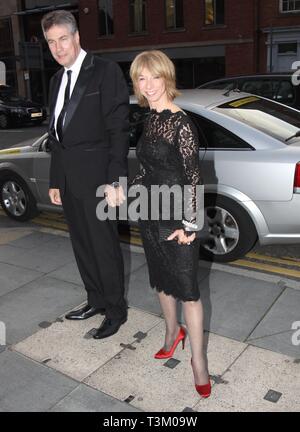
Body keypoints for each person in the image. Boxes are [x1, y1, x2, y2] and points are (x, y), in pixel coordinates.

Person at [41, 10, 129, 339]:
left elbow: (119, 131)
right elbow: (56, 137)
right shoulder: (55, 80)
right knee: (81, 245)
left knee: (104, 246)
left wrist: (116, 180)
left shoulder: (105, 72)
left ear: (77, 38)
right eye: (51, 42)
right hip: (68, 179)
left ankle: (116, 310)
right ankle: (95, 299)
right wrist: (54, 180)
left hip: (98, 180)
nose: (58, 47)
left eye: (63, 39)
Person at [130, 50, 211, 398]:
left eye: (154, 77)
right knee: (161, 281)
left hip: (178, 219)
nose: (148, 86)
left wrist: (190, 225)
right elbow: (148, 169)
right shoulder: (148, 119)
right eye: (140, 78)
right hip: (150, 213)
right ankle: (169, 333)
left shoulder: (181, 123)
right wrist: (128, 190)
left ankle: (199, 362)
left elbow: (194, 178)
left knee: (188, 290)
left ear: (167, 78)